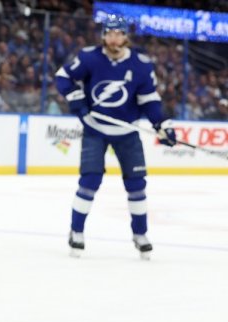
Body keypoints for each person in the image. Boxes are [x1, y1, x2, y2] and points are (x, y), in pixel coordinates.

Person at [55, 15, 176, 260]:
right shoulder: (90, 57)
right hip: (95, 128)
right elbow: (63, 76)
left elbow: (149, 100)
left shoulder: (141, 65)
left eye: (118, 34)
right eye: (109, 33)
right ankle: (76, 231)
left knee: (136, 185)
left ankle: (140, 234)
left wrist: (161, 124)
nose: (113, 38)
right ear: (103, 36)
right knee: (89, 180)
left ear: (126, 36)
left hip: (127, 131)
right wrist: (77, 100)